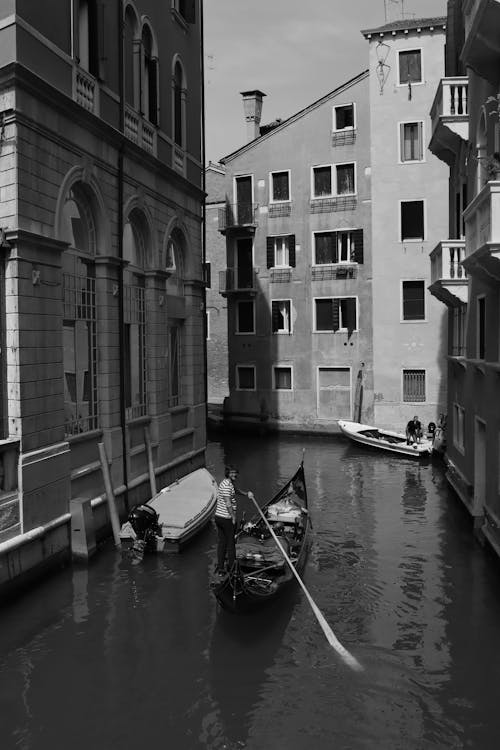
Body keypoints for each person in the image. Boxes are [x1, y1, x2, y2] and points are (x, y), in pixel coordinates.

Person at [214, 466, 254, 575]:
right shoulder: (227, 486)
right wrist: (233, 517)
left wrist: (246, 494)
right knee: (231, 544)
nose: (234, 475)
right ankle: (232, 570)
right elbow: (228, 503)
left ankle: (221, 568)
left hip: (218, 517)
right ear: (227, 473)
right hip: (226, 518)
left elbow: (235, 490)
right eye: (232, 473)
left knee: (222, 542)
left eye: (235, 473)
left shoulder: (226, 483)